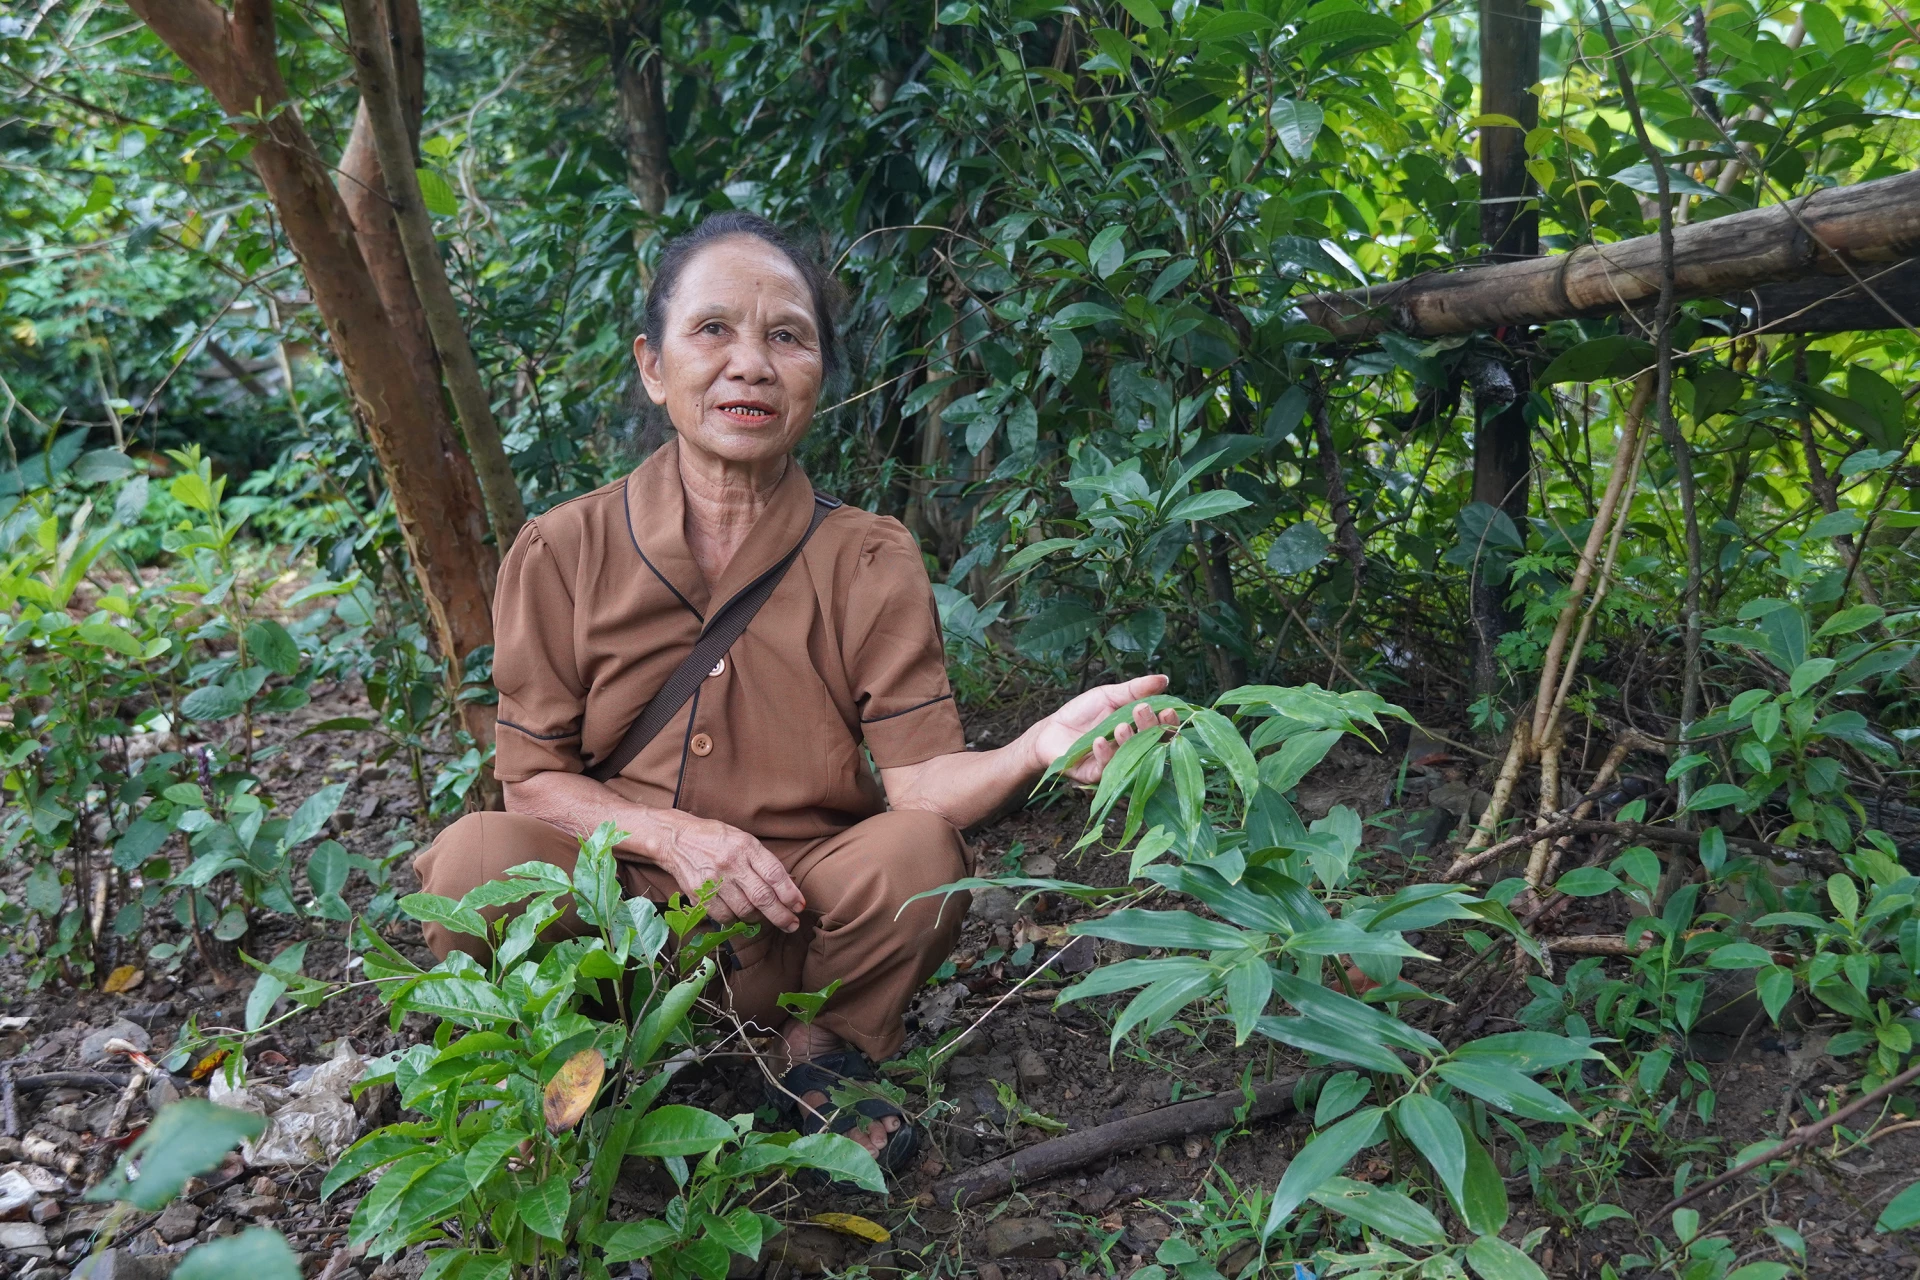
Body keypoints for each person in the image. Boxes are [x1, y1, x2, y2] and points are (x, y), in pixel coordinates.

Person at [413, 210, 1175, 1171]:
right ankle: (572, 1059)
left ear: (818, 375)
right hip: (614, 927)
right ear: (654, 367)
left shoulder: (868, 554)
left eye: (787, 336)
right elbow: (532, 782)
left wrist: (1037, 747)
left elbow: (921, 787)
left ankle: (821, 1051)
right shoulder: (563, 549)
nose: (751, 365)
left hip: (796, 927)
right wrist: (676, 838)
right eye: (713, 330)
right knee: (476, 855)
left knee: (923, 851)